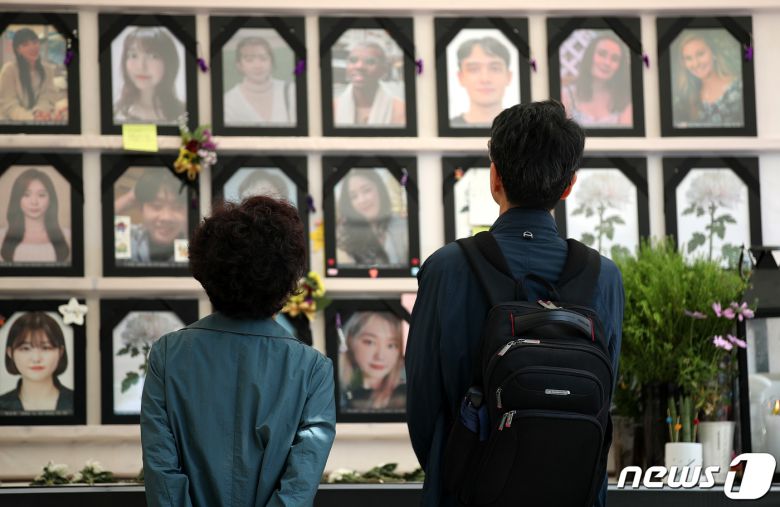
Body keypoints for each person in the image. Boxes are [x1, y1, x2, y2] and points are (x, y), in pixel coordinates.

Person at [406, 100, 624, 507]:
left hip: (466, 494)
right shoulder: (604, 276)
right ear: (568, 186)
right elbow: (604, 394)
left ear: (495, 177)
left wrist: (458, 469)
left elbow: (422, 402)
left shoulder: (447, 268)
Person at [141, 195, 336, 507]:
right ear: (287, 279)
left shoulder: (167, 356)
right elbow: (298, 488)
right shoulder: (313, 369)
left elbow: (162, 475)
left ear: (206, 271)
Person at [0, 312, 73, 413]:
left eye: (46, 348)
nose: (36, 358)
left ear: (61, 352)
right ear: (10, 353)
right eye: (25, 348)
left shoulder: (79, 402)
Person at [336, 169, 408, 268]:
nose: (362, 200)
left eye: (366, 190)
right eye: (353, 196)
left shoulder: (403, 226)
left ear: (379, 189)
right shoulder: (344, 239)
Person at [113, 27, 186, 124]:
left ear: (168, 62)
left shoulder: (184, 114)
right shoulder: (116, 113)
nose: (141, 66)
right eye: (133, 55)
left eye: (153, 56)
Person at [115, 169, 187, 263]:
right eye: (157, 206)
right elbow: (98, 224)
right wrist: (130, 198)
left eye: (177, 207)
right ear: (141, 208)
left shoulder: (194, 243)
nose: (166, 217)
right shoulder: (129, 236)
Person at [673, 31, 743, 128]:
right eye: (688, 58)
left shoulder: (739, 87)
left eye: (700, 54)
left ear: (713, 52)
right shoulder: (689, 96)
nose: (696, 64)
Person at [0, 168, 71, 264]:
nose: (34, 202)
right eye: (26, 194)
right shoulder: (1, 237)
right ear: (17, 199)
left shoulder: (68, 236)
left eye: (41, 195)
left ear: (51, 199)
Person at [561, 33, 632, 127]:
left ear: (619, 67)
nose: (607, 62)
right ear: (589, 56)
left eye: (614, 59)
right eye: (602, 54)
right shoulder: (566, 96)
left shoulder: (625, 99)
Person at [339, 311, 406, 411]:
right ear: (349, 341)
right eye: (370, 342)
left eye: (391, 345)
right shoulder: (337, 392)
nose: (380, 356)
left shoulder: (406, 396)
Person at [223, 36, 296, 126]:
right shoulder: (228, 102)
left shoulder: (291, 91)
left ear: (271, 62)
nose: (258, 66)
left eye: (263, 58)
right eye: (249, 60)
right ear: (240, 65)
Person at [0, 27, 67, 123]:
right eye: (25, 44)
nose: (32, 47)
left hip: (39, 119)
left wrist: (38, 112)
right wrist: (31, 118)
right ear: (18, 50)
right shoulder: (9, 70)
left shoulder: (47, 69)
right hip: (11, 122)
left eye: (35, 42)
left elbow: (47, 97)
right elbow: (9, 104)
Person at [333, 41, 405, 127]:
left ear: (383, 70)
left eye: (370, 62)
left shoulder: (401, 110)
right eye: (353, 60)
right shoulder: (333, 107)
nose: (359, 66)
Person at [450, 37, 512, 127]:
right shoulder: (452, 125)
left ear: (509, 76)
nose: (485, 79)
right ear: (460, 77)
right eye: (473, 69)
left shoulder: (523, 127)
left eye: (495, 68)